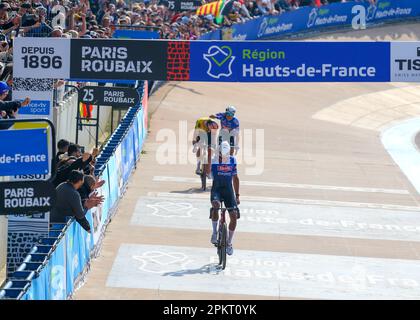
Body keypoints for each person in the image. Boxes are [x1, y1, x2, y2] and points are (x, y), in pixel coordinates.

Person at [209, 141, 240, 256]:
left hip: (228, 191)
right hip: (216, 190)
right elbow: (208, 173)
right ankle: (214, 232)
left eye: (227, 155)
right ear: (219, 152)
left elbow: (235, 178)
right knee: (216, 206)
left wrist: (237, 195)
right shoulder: (214, 160)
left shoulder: (233, 160)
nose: (225, 157)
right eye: (223, 154)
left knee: (234, 216)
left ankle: (229, 242)